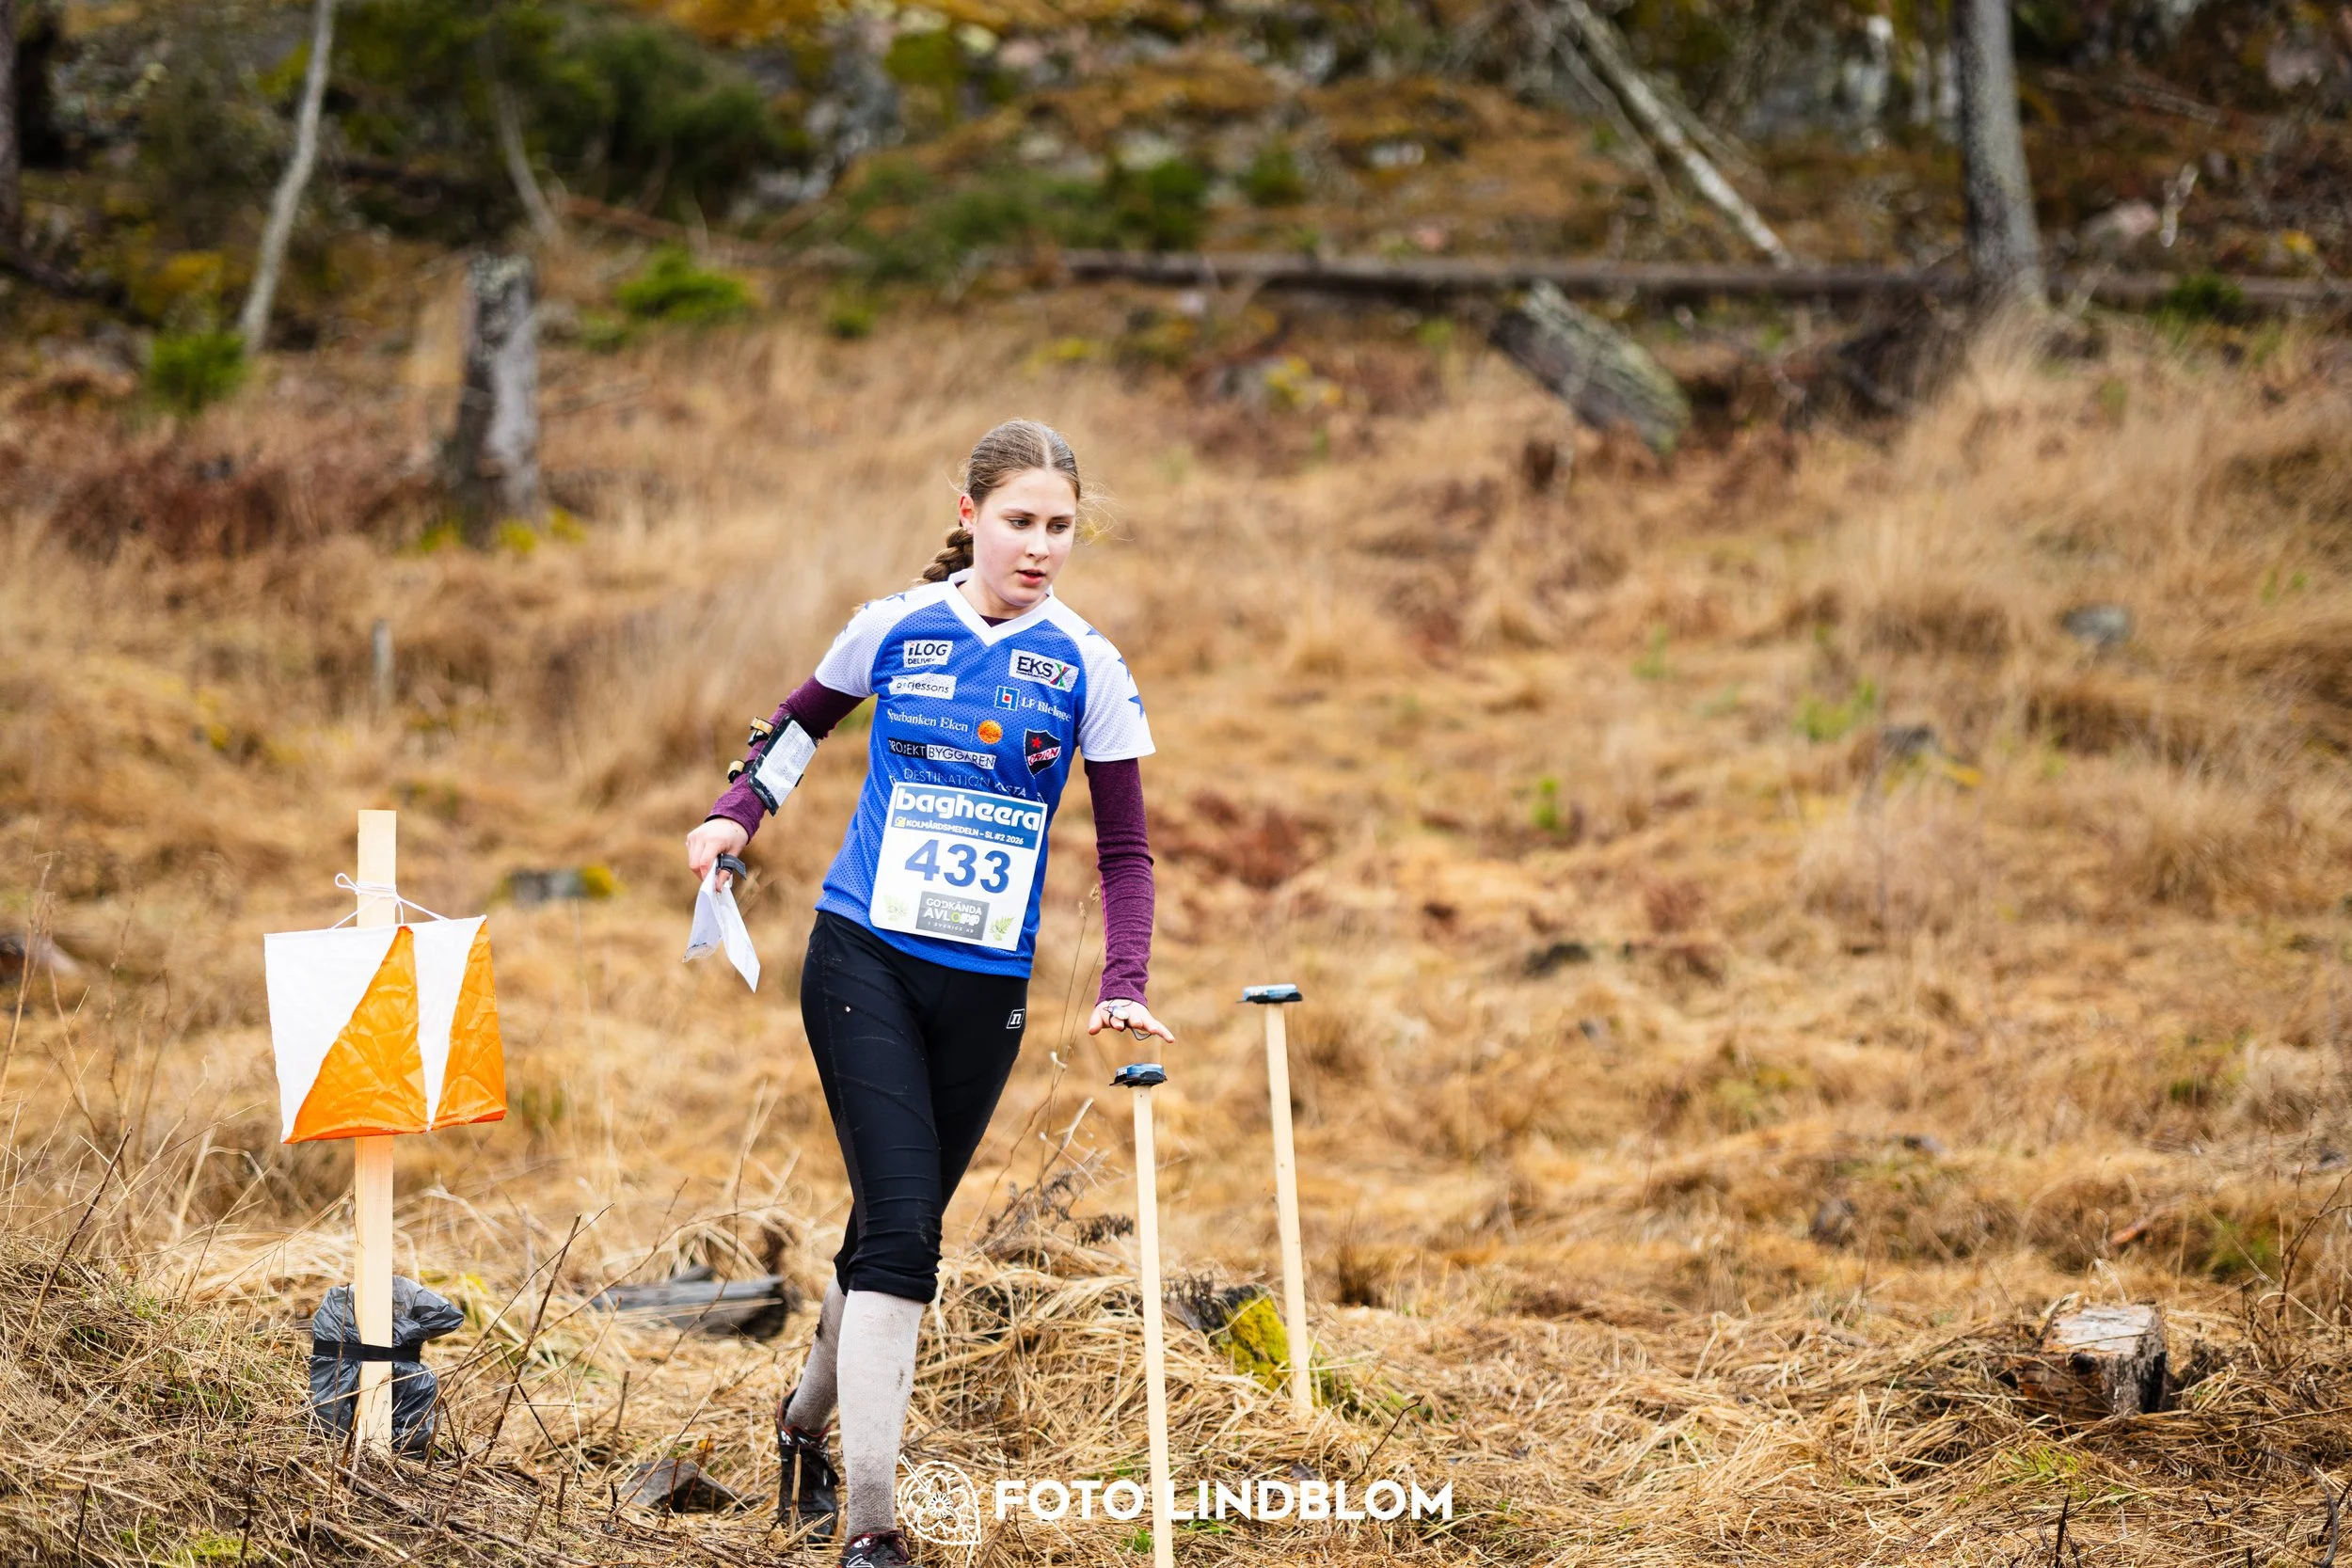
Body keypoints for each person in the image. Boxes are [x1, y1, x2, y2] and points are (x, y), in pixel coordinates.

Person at [684, 420, 1174, 1568]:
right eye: (1019, 521)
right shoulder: (894, 625)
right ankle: (873, 1524)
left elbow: (1126, 854)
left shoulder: (1089, 664)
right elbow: (798, 722)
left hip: (986, 990)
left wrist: (1123, 980)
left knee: (888, 1231)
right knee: (907, 1233)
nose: (1041, 546)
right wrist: (733, 814)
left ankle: (800, 1421)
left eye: (1060, 526)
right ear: (969, 516)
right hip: (861, 959)